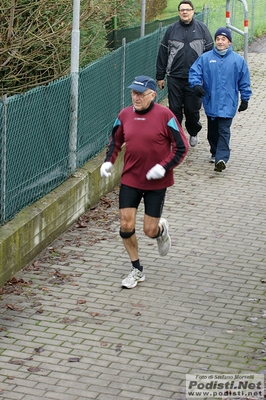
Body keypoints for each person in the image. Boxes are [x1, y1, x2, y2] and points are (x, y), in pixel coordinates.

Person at [100, 75, 189, 289]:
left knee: (148, 230)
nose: (136, 97)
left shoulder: (165, 115)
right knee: (125, 225)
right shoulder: (124, 115)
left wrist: (163, 167)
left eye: (140, 94)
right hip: (131, 178)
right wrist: (108, 162)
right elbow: (115, 141)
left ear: (152, 95)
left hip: (157, 182)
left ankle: (160, 230)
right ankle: (136, 269)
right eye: (133, 93)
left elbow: (182, 146)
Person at [189, 27, 252, 172]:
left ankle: (221, 158)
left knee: (224, 130)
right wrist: (196, 85)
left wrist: (245, 99)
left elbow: (244, 81)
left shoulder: (238, 61)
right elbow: (194, 72)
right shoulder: (205, 58)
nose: (220, 42)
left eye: (223, 39)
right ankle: (214, 151)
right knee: (213, 131)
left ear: (229, 42)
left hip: (228, 103)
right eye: (218, 39)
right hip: (211, 101)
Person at [156, 1, 213, 148]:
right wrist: (160, 76)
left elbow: (209, 55)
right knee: (174, 109)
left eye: (187, 10)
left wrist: (207, 77)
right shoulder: (171, 30)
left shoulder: (202, 29)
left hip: (195, 79)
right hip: (174, 77)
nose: (185, 12)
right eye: (182, 10)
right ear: (179, 12)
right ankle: (177, 138)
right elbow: (163, 53)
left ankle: (193, 132)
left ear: (193, 11)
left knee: (192, 110)